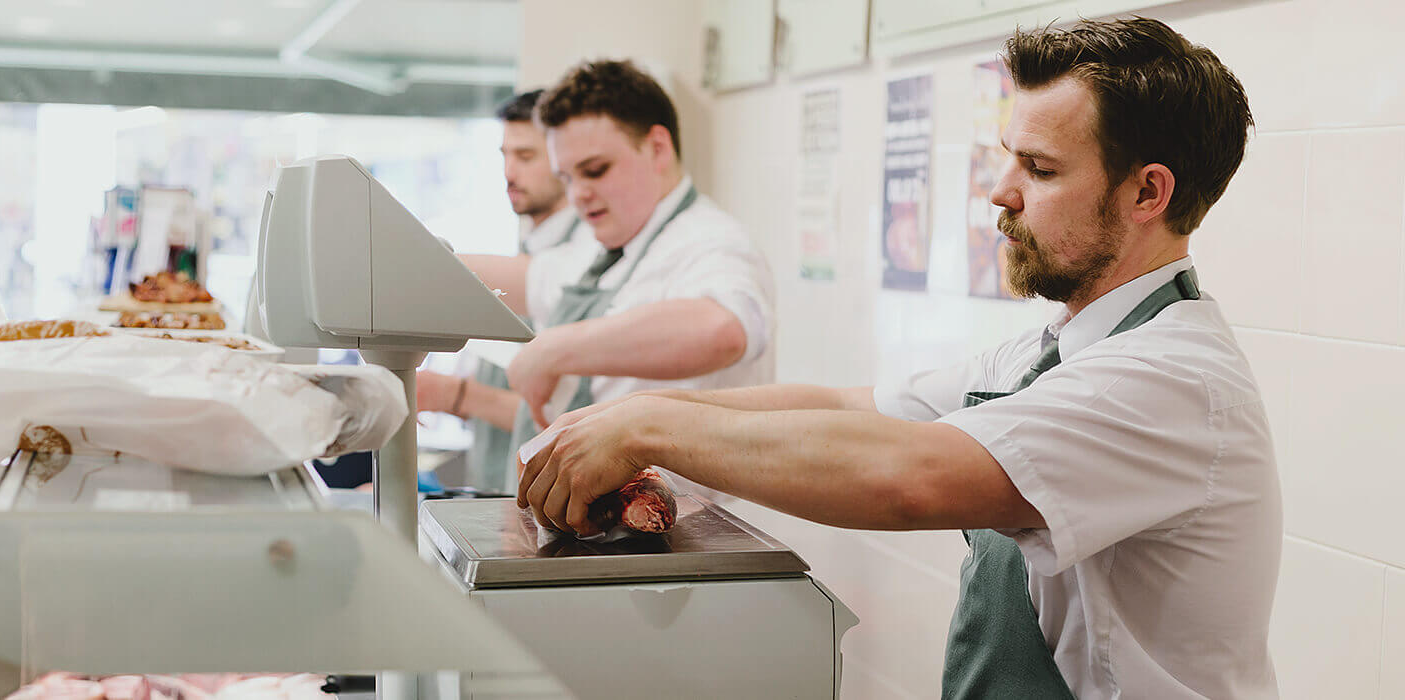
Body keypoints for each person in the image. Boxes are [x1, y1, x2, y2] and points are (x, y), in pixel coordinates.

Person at [518, 18, 1278, 699]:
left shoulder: (1169, 377)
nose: (1001, 193)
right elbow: (850, 408)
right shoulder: (1055, 350)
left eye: (1041, 170)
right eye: (1008, 161)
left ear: (1147, 193)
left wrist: (648, 429)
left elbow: (907, 478)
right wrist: (626, 415)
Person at [451, 59, 776, 494]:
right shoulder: (598, 246)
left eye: (595, 170)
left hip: (678, 525)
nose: (578, 194)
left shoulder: (712, 242)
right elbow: (524, 278)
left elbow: (722, 330)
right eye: (567, 177)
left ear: (657, 148)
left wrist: (555, 349)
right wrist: (409, 260)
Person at [416, 89, 586, 492]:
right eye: (505, 155)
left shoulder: (581, 262)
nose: (509, 172)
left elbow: (576, 414)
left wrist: (455, 394)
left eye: (525, 156)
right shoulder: (530, 249)